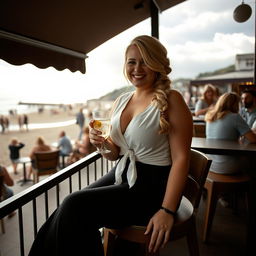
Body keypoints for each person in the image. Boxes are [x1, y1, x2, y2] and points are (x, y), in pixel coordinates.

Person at [28, 35, 193, 256]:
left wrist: (167, 210)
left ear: (157, 64)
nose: (137, 68)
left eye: (144, 61)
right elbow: (115, 154)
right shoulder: (121, 100)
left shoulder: (172, 100)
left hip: (152, 187)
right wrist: (102, 144)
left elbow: (182, 158)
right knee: (67, 208)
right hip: (122, 173)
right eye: (132, 62)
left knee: (73, 206)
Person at [205, 92, 256, 174]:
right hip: (227, 166)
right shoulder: (234, 117)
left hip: (210, 164)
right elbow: (253, 139)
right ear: (235, 104)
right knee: (251, 161)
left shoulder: (210, 116)